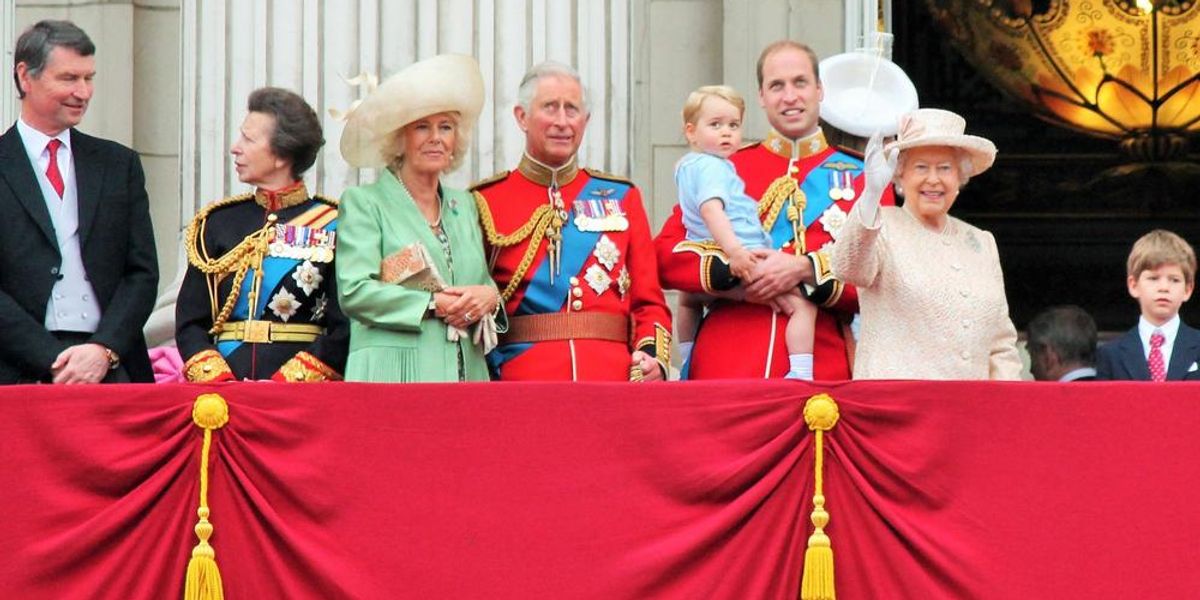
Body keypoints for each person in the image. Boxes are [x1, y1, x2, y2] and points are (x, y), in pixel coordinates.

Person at [655, 41, 893, 380]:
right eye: (776, 86)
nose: (790, 96)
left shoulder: (863, 178)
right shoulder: (723, 166)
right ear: (761, 97)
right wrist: (738, 273)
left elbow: (883, 278)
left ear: (820, 90)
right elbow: (666, 254)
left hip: (821, 368)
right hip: (726, 362)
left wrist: (804, 269)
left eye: (800, 83)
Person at [472, 61, 672, 381]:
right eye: (550, 108)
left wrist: (652, 359)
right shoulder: (485, 201)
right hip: (520, 381)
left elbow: (649, 302)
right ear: (521, 117)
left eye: (572, 109)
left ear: (586, 120)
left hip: (611, 379)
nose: (563, 122)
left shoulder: (622, 196)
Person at [0, 20, 158, 384]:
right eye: (69, 78)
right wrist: (52, 359)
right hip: (13, 371)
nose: (83, 92)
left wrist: (104, 350)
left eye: (89, 78)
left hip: (110, 366)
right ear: (25, 76)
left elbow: (142, 272)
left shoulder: (119, 164)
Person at [336, 54, 498, 382]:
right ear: (399, 139)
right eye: (422, 127)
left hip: (465, 372)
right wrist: (433, 304)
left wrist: (490, 297)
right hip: (393, 374)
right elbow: (354, 292)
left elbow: (480, 279)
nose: (435, 137)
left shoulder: (463, 203)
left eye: (446, 127)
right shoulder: (365, 202)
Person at [831, 108, 1021, 379]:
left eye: (944, 168)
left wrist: (1007, 406)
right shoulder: (879, 226)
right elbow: (848, 267)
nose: (933, 179)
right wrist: (871, 195)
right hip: (899, 408)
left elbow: (1001, 344)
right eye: (921, 167)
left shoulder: (981, 242)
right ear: (899, 175)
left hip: (970, 412)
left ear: (960, 177)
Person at [176, 87, 349, 382]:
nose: (235, 147)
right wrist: (217, 377)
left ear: (282, 154)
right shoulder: (217, 222)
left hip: (300, 389)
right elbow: (191, 321)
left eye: (248, 139)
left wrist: (290, 381)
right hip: (225, 384)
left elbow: (344, 325)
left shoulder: (335, 223)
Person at [673, 84, 816, 380]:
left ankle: (687, 357)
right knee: (801, 306)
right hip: (741, 254)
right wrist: (736, 253)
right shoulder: (714, 168)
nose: (726, 133)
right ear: (691, 132)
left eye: (733, 125)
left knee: (688, 301)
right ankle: (802, 372)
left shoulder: (688, 166)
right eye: (716, 125)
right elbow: (712, 211)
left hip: (704, 257)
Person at [1096, 230, 1200, 381]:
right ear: (1133, 285)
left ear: (1188, 289)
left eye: (1174, 280)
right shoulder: (1110, 355)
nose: (1164, 287)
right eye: (1153, 278)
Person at [1026, 305, 1098, 382]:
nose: (1031, 370)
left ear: (1048, 355)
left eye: (1033, 356)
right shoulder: (1110, 388)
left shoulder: (1051, 394)